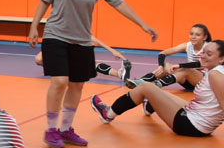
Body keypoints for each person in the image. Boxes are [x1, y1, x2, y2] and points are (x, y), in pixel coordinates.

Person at [29, 0, 157, 148]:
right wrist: (34, 26)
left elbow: (119, 3)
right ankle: (51, 130)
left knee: (77, 85)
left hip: (82, 41)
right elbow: (44, 1)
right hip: (56, 35)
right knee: (60, 82)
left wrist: (142, 24)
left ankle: (66, 129)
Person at [91, 39, 224, 137]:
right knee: (158, 90)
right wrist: (180, 67)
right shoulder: (216, 70)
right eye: (204, 52)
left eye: (209, 54)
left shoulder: (215, 74)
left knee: (146, 87)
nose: (203, 56)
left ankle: (108, 114)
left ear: (221, 58)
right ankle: (150, 104)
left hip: (191, 125)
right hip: (198, 118)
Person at [142, 23, 213, 91]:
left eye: (197, 35)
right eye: (191, 34)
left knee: (186, 69)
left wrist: (179, 66)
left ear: (205, 37)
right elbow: (162, 53)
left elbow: (199, 64)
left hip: (203, 82)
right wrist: (161, 66)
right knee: (166, 66)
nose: (193, 37)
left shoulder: (209, 47)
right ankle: (142, 81)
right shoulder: (187, 45)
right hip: (188, 80)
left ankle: (158, 84)